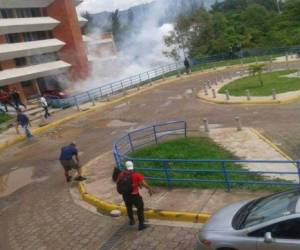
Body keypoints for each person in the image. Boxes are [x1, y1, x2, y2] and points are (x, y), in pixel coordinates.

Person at [117, 161, 154, 231]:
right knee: (140, 208)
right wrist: (149, 188)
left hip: (125, 195)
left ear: (125, 167)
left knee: (128, 207)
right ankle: (141, 225)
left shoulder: (121, 174)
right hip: (134, 195)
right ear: (132, 167)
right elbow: (143, 183)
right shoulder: (136, 175)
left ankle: (131, 221)